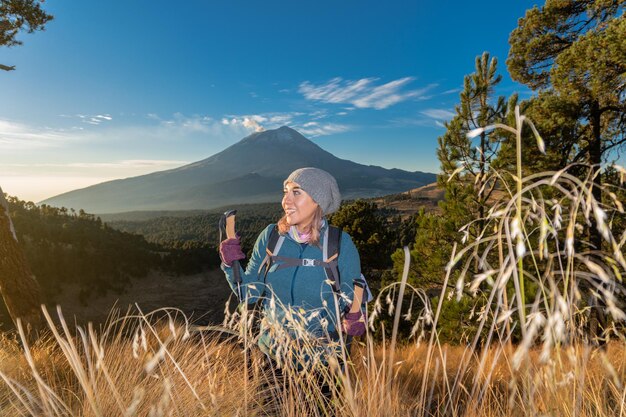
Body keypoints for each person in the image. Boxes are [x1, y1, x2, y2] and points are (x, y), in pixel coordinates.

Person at [219, 167, 366, 365]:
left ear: (318, 201)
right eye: (285, 192)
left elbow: (354, 297)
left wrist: (356, 317)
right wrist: (230, 264)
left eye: (296, 192)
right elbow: (248, 294)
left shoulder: (339, 244)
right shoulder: (271, 237)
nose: (285, 201)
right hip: (272, 356)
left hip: (323, 362)